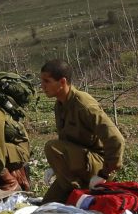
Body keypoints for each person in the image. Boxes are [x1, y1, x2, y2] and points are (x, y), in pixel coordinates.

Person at [39, 59, 125, 203]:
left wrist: (104, 174)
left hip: (97, 166)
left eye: (47, 81)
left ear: (62, 82)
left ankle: (78, 192)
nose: (42, 86)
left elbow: (116, 140)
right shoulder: (60, 104)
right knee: (47, 205)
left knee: (51, 146)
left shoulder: (83, 105)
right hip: (79, 165)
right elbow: (66, 142)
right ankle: (73, 191)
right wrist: (57, 167)